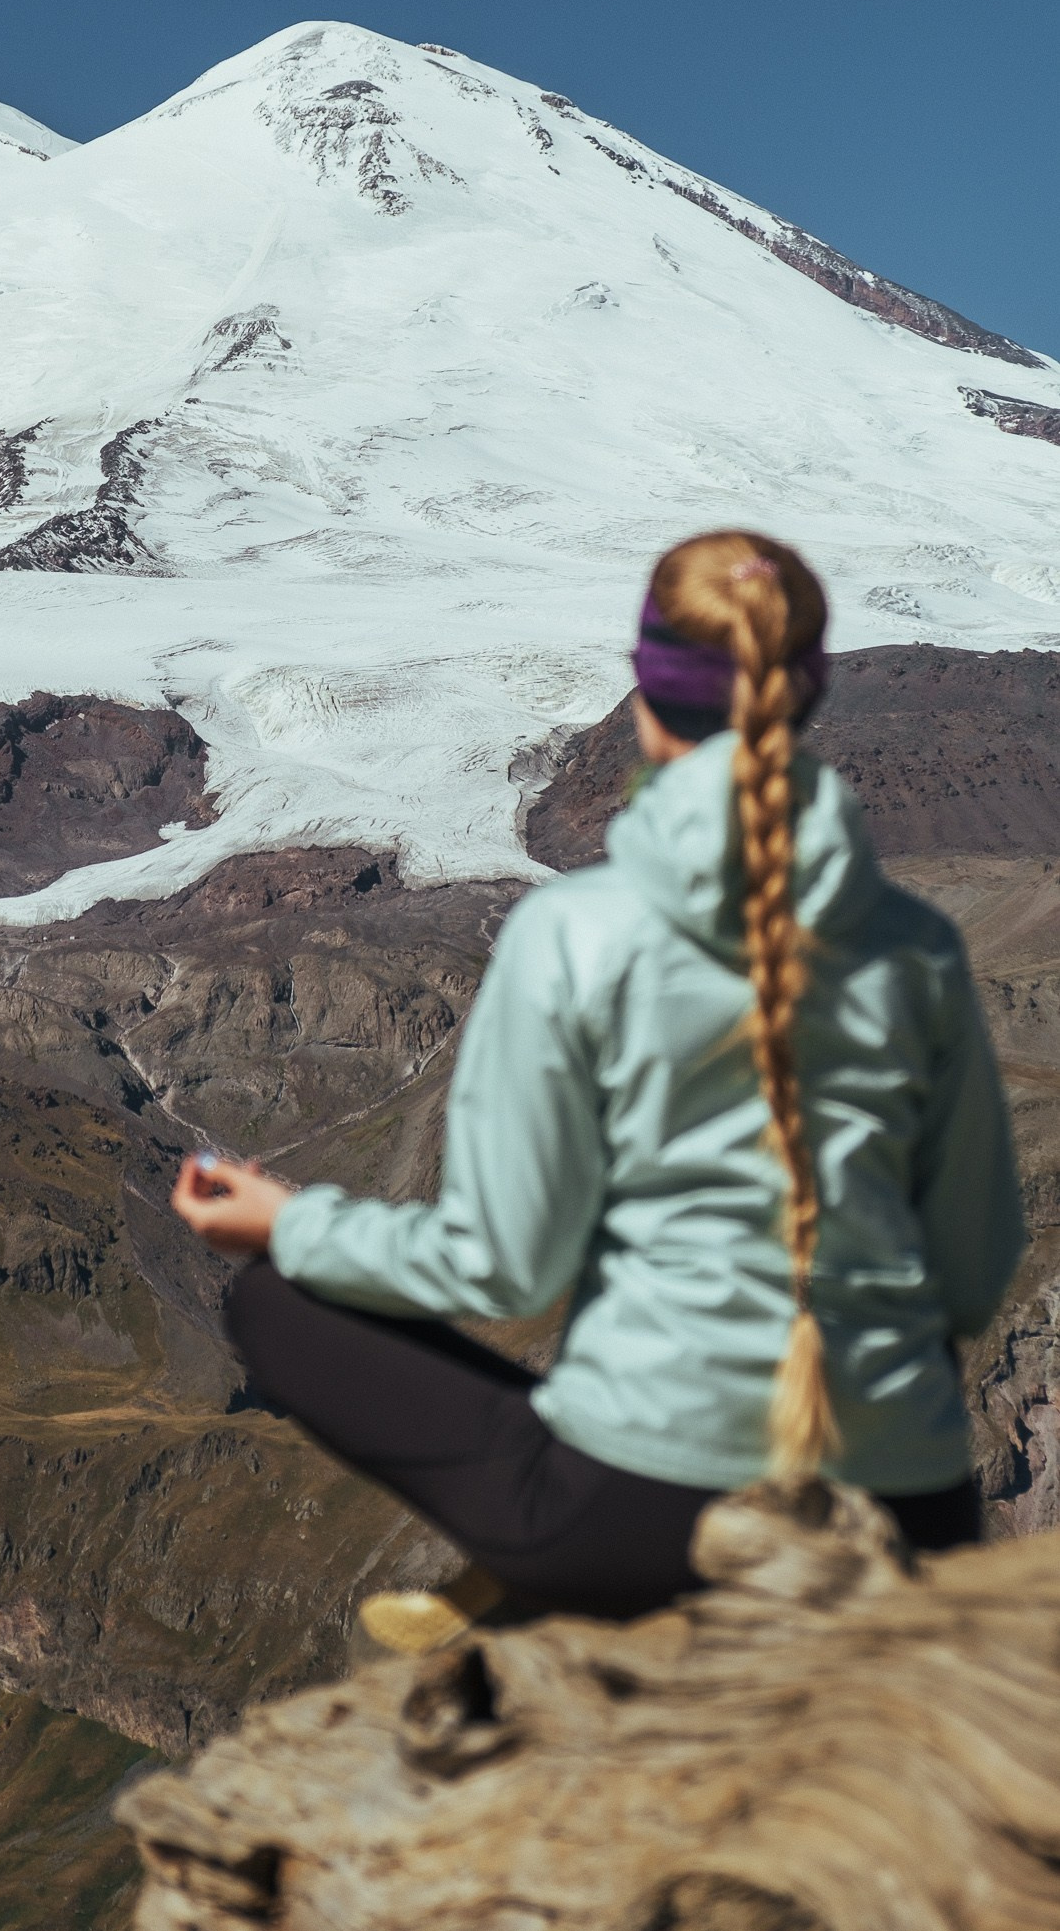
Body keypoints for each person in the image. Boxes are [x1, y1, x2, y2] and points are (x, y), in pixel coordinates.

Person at [171, 529, 1027, 1639]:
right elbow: (972, 1268)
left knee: (279, 1300)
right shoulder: (917, 946)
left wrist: (292, 1223)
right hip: (915, 1513)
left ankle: (536, 1608)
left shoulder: (574, 932)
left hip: (657, 1524)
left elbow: (499, 1265)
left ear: (645, 698)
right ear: (807, 692)